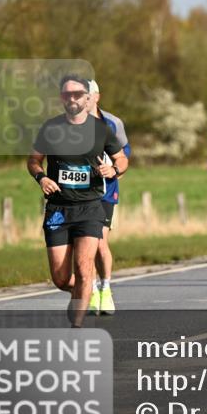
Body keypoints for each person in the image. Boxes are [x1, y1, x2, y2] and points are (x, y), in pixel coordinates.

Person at [28, 75, 128, 327]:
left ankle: (77, 327)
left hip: (90, 208)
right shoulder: (50, 128)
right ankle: (86, 292)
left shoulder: (101, 129)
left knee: (84, 270)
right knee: (61, 279)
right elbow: (33, 160)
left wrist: (114, 170)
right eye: (66, 94)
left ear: (87, 97)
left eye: (77, 94)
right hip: (58, 209)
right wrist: (41, 178)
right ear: (62, 98)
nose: (72, 99)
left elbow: (122, 159)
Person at [85, 80, 130, 316]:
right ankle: (91, 291)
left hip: (106, 190)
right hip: (80, 193)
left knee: (100, 243)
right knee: (85, 243)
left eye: (87, 95)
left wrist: (114, 170)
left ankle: (106, 288)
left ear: (97, 96)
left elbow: (124, 156)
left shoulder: (112, 123)